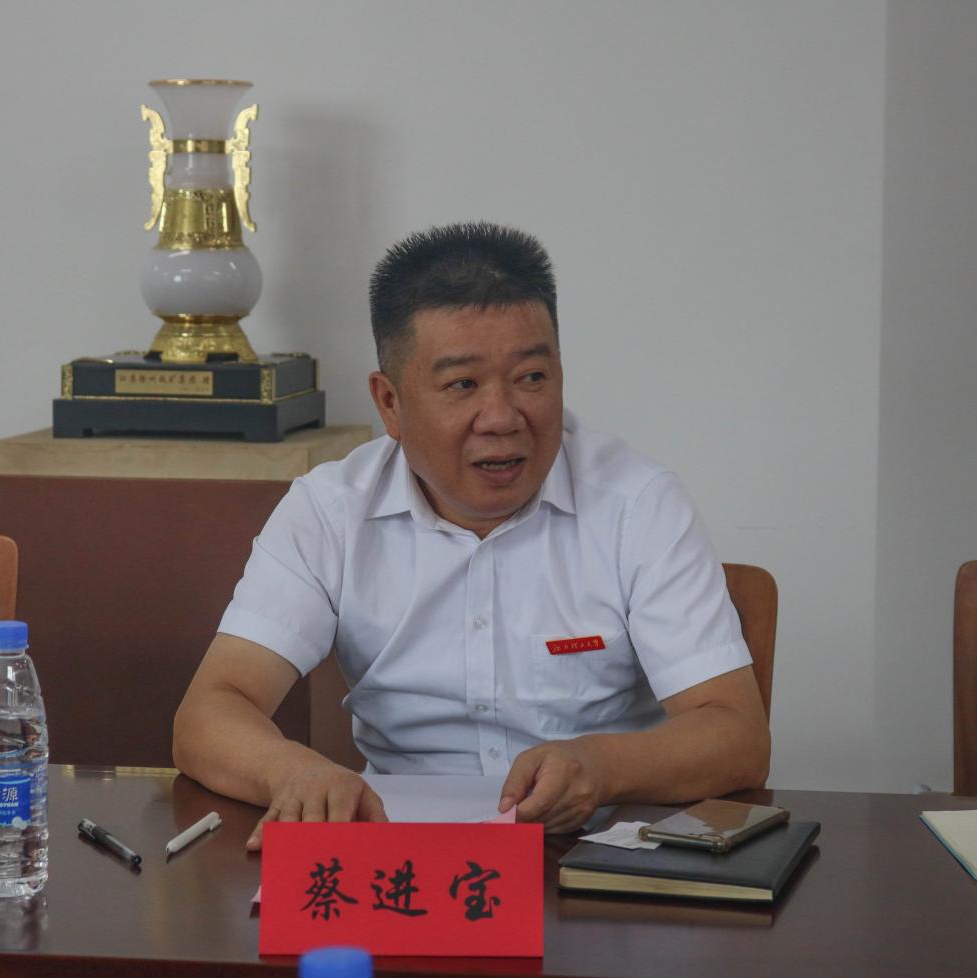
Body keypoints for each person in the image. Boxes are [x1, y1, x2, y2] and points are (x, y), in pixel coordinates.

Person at [173, 222, 770, 847]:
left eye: (531, 378)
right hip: (400, 856)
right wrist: (294, 773)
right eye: (462, 385)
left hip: (592, 855)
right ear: (390, 403)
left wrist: (601, 767)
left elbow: (737, 735)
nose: (503, 418)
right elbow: (210, 711)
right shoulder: (330, 512)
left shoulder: (637, 505)